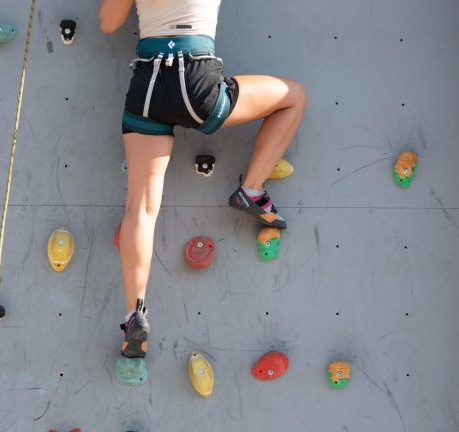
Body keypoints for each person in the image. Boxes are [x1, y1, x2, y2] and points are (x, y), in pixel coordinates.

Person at [99, 0, 308, 364]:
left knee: (140, 209)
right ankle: (252, 190)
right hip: (197, 80)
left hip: (147, 87)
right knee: (295, 96)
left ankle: (135, 313)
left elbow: (108, 23)